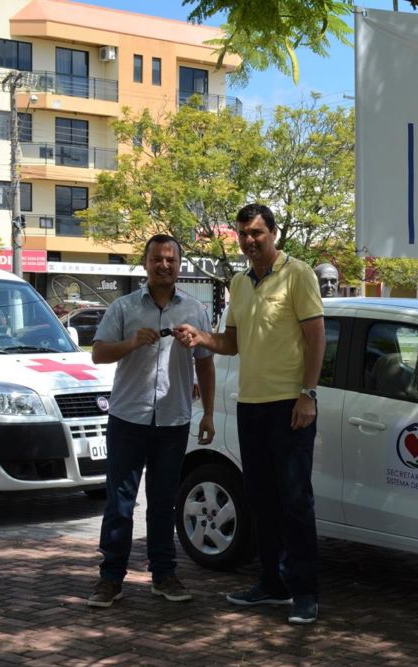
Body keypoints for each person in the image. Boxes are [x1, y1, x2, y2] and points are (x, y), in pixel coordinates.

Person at [178, 204, 326, 625]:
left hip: (290, 405)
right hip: (251, 405)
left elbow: (316, 339)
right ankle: (271, 584)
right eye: (243, 234)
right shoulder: (240, 283)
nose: (249, 241)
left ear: (273, 233)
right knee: (261, 499)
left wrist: (308, 395)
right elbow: (231, 343)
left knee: (296, 499)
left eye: (257, 233)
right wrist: (200, 337)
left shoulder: (298, 274)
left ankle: (304, 592)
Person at [86, 234, 215, 608]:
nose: (164, 265)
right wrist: (130, 343)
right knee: (120, 502)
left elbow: (205, 364)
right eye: (158, 259)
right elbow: (97, 353)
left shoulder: (194, 310)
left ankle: (164, 575)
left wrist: (207, 412)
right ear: (145, 264)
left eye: (171, 260)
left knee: (163, 503)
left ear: (179, 265)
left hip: (173, 419)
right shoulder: (124, 308)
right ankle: (111, 578)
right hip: (129, 417)